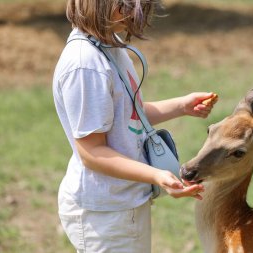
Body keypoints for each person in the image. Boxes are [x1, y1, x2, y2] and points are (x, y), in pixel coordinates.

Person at [52, 0, 216, 252]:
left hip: (123, 201)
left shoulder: (108, 45)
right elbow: (92, 152)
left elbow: (125, 114)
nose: (133, 13)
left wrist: (181, 106)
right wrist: (157, 176)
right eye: (125, 5)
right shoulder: (86, 65)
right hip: (106, 213)